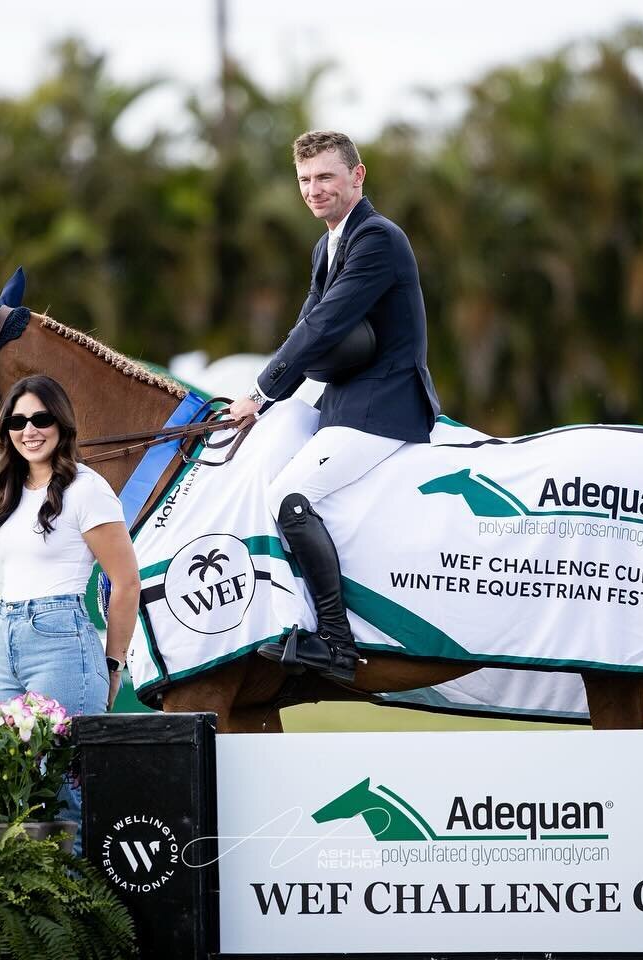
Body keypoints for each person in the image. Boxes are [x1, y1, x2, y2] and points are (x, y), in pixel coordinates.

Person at [229, 130, 441, 683]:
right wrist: (271, 399)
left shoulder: (377, 240)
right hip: (343, 403)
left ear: (357, 175)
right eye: (304, 180)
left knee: (288, 493)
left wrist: (260, 391)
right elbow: (308, 329)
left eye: (325, 176)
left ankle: (337, 643)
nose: (314, 189)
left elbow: (324, 326)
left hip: (386, 405)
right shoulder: (326, 246)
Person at [0, 374, 140, 836]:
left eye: (41, 418)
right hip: (6, 637)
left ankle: (80, 905)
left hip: (62, 640)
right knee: (15, 783)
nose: (30, 430)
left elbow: (126, 582)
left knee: (67, 789)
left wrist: (113, 665)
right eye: (18, 420)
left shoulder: (86, 488)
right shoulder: (6, 487)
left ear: (62, 423)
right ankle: (38, 905)